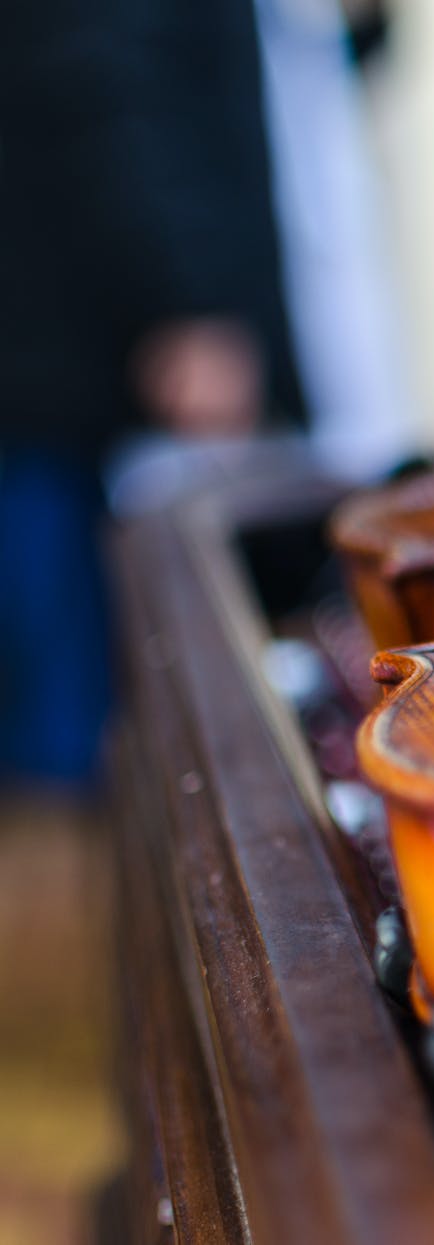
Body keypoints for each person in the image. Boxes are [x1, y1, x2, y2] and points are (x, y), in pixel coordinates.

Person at [0, 0, 301, 789]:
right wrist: (186, 299)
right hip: (76, 371)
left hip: (75, 359)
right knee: (79, 731)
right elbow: (99, 76)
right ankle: (68, 905)